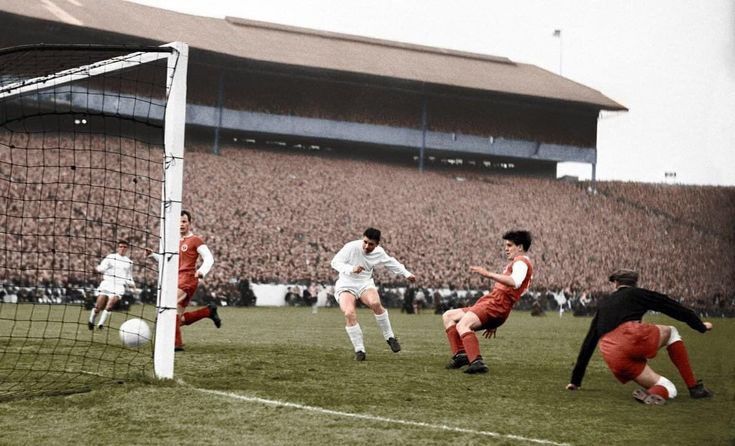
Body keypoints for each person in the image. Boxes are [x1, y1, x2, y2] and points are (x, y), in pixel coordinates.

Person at [566, 269, 714, 405]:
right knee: (672, 332)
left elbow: (589, 341)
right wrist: (699, 326)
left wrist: (576, 380)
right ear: (635, 282)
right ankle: (694, 388)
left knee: (668, 388)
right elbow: (670, 306)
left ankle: (652, 393)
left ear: (616, 283)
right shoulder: (638, 293)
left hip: (611, 353)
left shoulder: (604, 303)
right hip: (630, 337)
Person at [442, 230, 533, 374]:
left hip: (496, 305)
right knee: (448, 316)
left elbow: (515, 282)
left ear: (520, 247)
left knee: (463, 325)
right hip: (493, 304)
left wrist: (488, 274)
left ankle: (477, 362)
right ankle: (461, 355)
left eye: (509, 245)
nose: (506, 248)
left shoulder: (521, 262)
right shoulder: (518, 263)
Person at [330, 227, 416, 361]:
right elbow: (335, 262)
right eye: (365, 242)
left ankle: (390, 337)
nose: (366, 246)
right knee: (349, 313)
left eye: (371, 244)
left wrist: (407, 274)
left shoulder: (379, 252)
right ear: (362, 238)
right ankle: (360, 350)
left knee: (375, 303)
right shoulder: (351, 247)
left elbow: (391, 262)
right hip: (346, 284)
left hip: (365, 283)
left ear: (377, 245)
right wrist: (351, 269)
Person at [148, 210, 220, 351]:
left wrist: (202, 271)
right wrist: (152, 255)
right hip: (176, 280)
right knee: (176, 319)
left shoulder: (195, 240)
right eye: (179, 222)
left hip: (187, 279)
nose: (181, 224)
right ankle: (208, 311)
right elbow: (167, 261)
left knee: (169, 307)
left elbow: (209, 258)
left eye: (184, 221)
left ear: (189, 223)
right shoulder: (174, 241)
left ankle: (177, 343)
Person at [89, 240, 135, 330]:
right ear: (118, 248)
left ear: (127, 249)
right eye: (121, 246)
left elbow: (129, 276)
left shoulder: (129, 262)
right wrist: (97, 270)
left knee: (110, 305)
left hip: (119, 287)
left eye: (124, 247)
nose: (122, 248)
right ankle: (91, 320)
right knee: (98, 307)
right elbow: (102, 268)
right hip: (107, 284)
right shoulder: (110, 257)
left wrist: (132, 284)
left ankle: (100, 324)